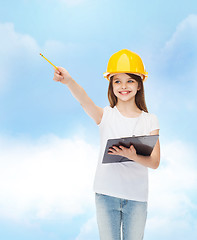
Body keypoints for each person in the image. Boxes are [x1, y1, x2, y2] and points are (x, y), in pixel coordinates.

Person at [52, 49, 160, 240]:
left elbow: (155, 162)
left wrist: (133, 156)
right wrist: (68, 80)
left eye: (130, 81)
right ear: (111, 85)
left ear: (139, 85)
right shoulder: (105, 116)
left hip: (137, 198)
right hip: (106, 194)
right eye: (117, 81)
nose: (123, 86)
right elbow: (84, 100)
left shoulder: (150, 120)